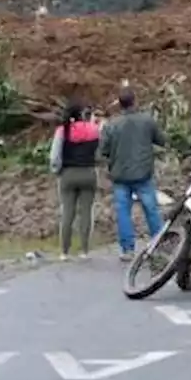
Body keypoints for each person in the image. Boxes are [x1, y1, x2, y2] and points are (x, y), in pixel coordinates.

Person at [98, 87, 168, 261]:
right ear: (135, 101)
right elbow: (162, 140)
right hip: (143, 173)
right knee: (151, 209)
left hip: (120, 175)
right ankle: (157, 245)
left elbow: (103, 150)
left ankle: (127, 249)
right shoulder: (147, 121)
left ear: (119, 104)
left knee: (123, 212)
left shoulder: (112, 124)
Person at [48, 102, 101, 261]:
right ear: (82, 114)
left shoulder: (62, 131)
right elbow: (100, 152)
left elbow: (55, 156)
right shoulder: (93, 129)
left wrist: (57, 170)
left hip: (68, 174)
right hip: (89, 173)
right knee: (86, 212)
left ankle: (64, 252)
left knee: (67, 212)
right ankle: (84, 251)